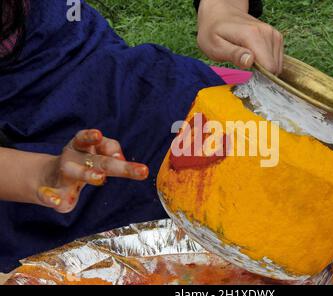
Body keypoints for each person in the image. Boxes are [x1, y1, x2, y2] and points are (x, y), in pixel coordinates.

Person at [0, 0, 283, 272]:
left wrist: (223, 10)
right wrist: (41, 175)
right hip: (25, 163)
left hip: (107, 70)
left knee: (252, 157)